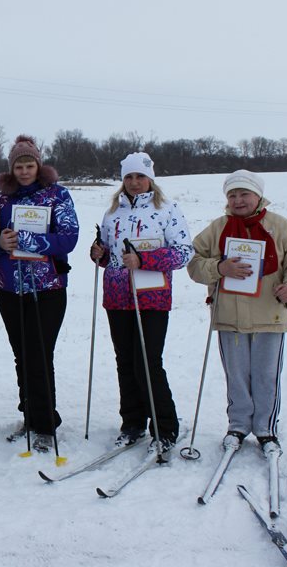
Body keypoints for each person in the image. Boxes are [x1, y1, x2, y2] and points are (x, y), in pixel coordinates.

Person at [187, 170, 287, 452]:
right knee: (237, 374)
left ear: (258, 196)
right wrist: (219, 268)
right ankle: (238, 425)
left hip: (271, 314)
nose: (238, 200)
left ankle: (266, 429)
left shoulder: (280, 226)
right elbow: (193, 262)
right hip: (229, 314)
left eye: (244, 194)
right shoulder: (217, 228)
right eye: (232, 195)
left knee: (266, 374)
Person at [90, 151, 193, 452]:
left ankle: (165, 427)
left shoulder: (167, 210)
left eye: (140, 176)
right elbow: (111, 255)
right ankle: (132, 422)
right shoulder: (112, 214)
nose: (134, 182)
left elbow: (184, 252)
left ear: (150, 179)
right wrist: (99, 254)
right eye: (128, 177)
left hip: (152, 298)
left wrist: (144, 259)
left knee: (148, 363)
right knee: (125, 362)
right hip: (117, 297)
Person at [0, 135, 78, 452]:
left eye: (29, 165)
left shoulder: (56, 195)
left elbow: (68, 238)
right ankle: (30, 414)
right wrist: (1, 245)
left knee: (39, 353)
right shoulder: (0, 201)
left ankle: (46, 423)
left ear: (39, 165)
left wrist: (27, 240)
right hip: (10, 288)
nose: (24, 171)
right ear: (11, 169)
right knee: (22, 354)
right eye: (19, 166)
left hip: (47, 287)